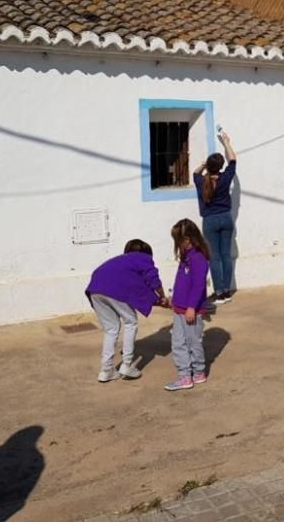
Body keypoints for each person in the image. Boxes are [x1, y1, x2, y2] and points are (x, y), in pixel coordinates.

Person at [85, 239, 167, 383]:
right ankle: (127, 365)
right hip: (113, 291)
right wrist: (163, 297)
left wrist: (157, 302)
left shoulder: (121, 261)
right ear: (147, 253)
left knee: (111, 329)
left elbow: (137, 288)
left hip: (94, 289)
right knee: (131, 322)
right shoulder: (143, 258)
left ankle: (106, 370)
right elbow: (153, 279)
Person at [164, 219, 210, 391]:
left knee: (193, 342)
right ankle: (186, 374)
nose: (178, 245)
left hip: (191, 310)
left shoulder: (198, 258)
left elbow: (199, 284)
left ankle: (197, 372)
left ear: (189, 239)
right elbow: (181, 280)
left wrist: (191, 306)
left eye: (179, 241)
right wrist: (173, 298)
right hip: (179, 308)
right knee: (178, 342)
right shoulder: (186, 257)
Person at [193, 131, 237, 304]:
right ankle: (227, 290)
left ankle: (218, 293)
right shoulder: (225, 178)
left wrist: (204, 165)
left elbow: (195, 172)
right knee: (226, 255)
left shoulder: (201, 181)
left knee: (214, 257)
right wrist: (226, 142)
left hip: (210, 221)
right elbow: (233, 161)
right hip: (226, 218)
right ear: (220, 167)